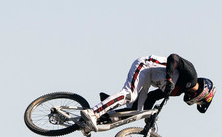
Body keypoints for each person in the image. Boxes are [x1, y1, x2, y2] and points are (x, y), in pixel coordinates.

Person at [83, 53, 214, 132]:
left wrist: (148, 118)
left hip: (147, 79)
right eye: (199, 102)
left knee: (135, 113)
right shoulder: (191, 76)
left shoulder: (177, 91)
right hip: (146, 66)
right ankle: (93, 113)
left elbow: (151, 97)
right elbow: (174, 58)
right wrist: (169, 78)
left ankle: (102, 115)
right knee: (130, 94)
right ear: (203, 94)